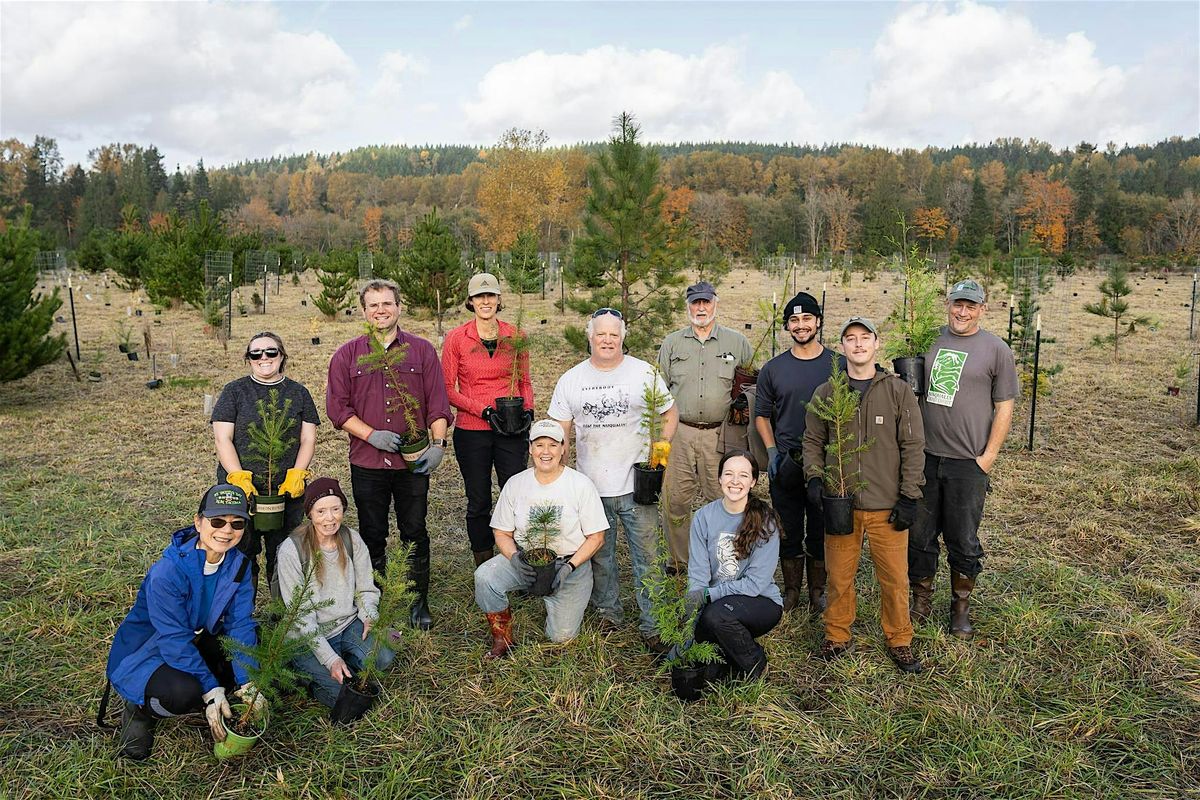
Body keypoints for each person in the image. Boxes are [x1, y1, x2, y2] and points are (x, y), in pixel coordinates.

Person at [548, 308, 678, 653]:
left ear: (623, 337)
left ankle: (654, 624)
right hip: (592, 487)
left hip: (639, 485)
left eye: (614, 334)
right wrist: (560, 468)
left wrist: (660, 451)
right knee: (601, 556)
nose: (608, 340)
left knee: (648, 556)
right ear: (590, 336)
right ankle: (609, 613)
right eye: (601, 334)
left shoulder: (644, 373)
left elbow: (669, 412)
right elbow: (561, 428)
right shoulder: (571, 379)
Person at [326, 278, 453, 630]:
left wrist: (439, 446)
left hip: (412, 463)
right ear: (364, 311)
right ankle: (374, 599)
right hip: (367, 462)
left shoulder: (422, 351)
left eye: (387, 304)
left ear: (399, 307)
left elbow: (438, 405)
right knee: (372, 533)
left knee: (415, 531)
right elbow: (337, 409)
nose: (381, 310)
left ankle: (418, 601)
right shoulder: (347, 355)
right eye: (373, 305)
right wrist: (371, 435)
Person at [105, 484, 264, 760]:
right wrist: (209, 688)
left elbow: (240, 624)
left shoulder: (239, 564)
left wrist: (247, 681)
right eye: (217, 521)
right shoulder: (167, 572)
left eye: (237, 523)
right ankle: (138, 710)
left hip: (195, 637)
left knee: (247, 649)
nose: (226, 531)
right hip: (149, 649)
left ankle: (217, 694)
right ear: (198, 522)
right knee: (184, 693)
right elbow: (173, 639)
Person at [803, 317, 926, 672]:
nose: (858, 345)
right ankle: (837, 634)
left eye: (864, 338)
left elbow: (914, 445)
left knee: (895, 578)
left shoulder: (897, 391)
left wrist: (909, 496)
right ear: (841, 347)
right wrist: (815, 479)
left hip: (887, 505)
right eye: (850, 339)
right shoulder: (827, 393)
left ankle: (900, 638)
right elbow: (812, 441)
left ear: (876, 344)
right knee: (840, 575)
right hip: (841, 504)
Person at [908, 280, 1018, 639]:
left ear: (982, 309)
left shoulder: (996, 350)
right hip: (924, 457)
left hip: (967, 463)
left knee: (962, 538)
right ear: (948, 303)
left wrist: (987, 458)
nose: (963, 312)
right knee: (920, 535)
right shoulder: (928, 340)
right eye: (958, 304)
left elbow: (1005, 407)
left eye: (971, 306)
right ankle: (921, 600)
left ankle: (960, 607)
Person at [474, 420, 608, 659]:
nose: (546, 452)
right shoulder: (516, 484)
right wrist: (515, 558)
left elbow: (596, 537)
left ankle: (559, 602)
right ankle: (502, 638)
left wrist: (569, 567)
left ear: (563, 449)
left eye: (553, 445)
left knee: (561, 638)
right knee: (485, 577)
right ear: (530, 449)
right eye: (539, 445)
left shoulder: (580, 485)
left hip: (569, 564)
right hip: (527, 560)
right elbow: (502, 533)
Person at [212, 331, 319, 596]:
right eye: (255, 353)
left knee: (283, 550)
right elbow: (222, 438)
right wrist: (237, 478)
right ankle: (240, 613)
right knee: (240, 550)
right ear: (248, 359)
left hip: (285, 490)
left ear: (282, 356)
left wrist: (297, 474)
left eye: (271, 352)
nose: (264, 358)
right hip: (241, 491)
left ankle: (280, 611)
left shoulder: (299, 393)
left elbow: (307, 438)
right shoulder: (234, 391)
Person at [275, 477, 395, 709]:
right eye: (321, 511)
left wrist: (369, 613)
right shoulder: (292, 550)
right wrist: (329, 659)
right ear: (310, 513)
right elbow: (300, 615)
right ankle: (306, 671)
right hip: (307, 635)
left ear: (343, 509)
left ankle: (346, 659)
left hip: (347, 624)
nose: (330, 518)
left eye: (335, 509)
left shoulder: (352, 539)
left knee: (385, 656)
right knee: (343, 699)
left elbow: (366, 588)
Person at [657, 281, 753, 570]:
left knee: (724, 497)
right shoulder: (672, 344)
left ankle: (724, 559)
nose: (701, 308)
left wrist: (744, 403)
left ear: (715, 303)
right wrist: (659, 439)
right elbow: (658, 391)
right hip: (680, 433)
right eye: (695, 303)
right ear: (688, 306)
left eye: (706, 302)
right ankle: (679, 563)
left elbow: (753, 386)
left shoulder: (737, 343)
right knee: (675, 501)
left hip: (721, 434)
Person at [441, 272, 534, 568]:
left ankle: (516, 561)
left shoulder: (515, 335)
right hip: (473, 432)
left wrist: (528, 411)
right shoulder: (457, 338)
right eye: (479, 296)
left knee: (514, 495)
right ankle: (484, 562)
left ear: (498, 299)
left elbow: (525, 381)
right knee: (478, 499)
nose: (485, 301)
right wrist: (483, 411)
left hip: (510, 429)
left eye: (491, 295)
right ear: (470, 301)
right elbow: (446, 389)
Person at [754, 292, 835, 613]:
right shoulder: (774, 368)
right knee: (787, 529)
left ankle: (818, 592)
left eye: (807, 319)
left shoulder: (837, 364)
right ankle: (791, 592)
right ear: (787, 326)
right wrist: (772, 452)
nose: (801, 325)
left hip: (825, 463)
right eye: (794, 320)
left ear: (818, 322)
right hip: (787, 460)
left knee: (819, 528)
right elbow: (761, 413)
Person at [684, 450, 782, 681]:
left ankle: (754, 663)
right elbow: (698, 573)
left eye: (743, 475)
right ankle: (728, 658)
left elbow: (755, 584)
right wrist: (691, 614)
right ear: (719, 478)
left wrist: (709, 595)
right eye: (728, 474)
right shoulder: (703, 517)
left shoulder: (765, 521)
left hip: (761, 602)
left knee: (717, 617)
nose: (735, 481)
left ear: (753, 481)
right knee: (703, 670)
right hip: (715, 602)